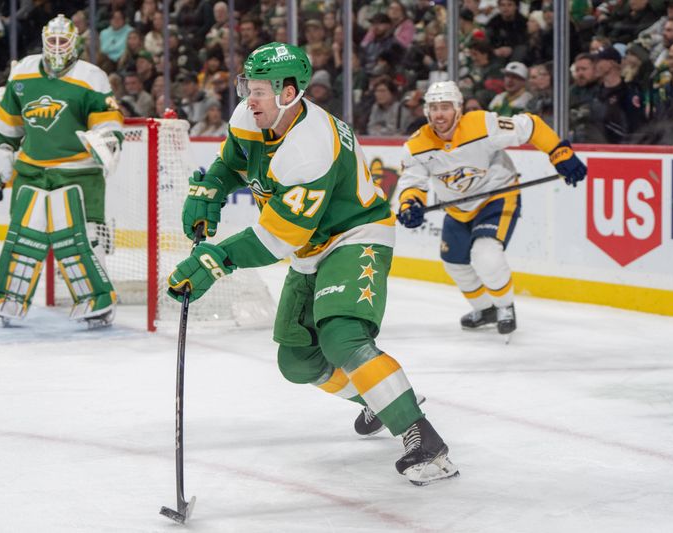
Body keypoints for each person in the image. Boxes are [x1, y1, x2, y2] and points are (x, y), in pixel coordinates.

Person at [166, 42, 459, 486]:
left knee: (342, 335)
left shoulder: (309, 147)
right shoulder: (252, 118)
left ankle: (427, 443)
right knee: (297, 359)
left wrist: (218, 259)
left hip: (354, 235)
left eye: (259, 90)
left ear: (289, 93)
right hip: (311, 246)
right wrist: (209, 190)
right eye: (248, 86)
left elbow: (280, 237)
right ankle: (385, 397)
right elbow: (232, 162)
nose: (249, 97)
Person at [394, 81, 587, 334]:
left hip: (496, 195)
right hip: (458, 209)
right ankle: (486, 309)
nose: (439, 114)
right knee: (455, 262)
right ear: (427, 111)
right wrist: (410, 203)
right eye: (434, 108)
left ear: (458, 109)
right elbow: (412, 182)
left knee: (486, 254)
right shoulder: (416, 146)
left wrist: (559, 153)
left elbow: (530, 126)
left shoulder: (481, 124)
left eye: (445, 107)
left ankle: (505, 306)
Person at [0, 14, 124, 327]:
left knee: (85, 239)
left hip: (79, 171)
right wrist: (0, 153)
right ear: (44, 41)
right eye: (52, 41)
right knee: (24, 237)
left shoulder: (91, 77)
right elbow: (7, 126)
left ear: (74, 43)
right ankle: (9, 298)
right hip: (32, 170)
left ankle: (97, 302)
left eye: (62, 41)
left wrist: (107, 142)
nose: (57, 47)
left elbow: (108, 121)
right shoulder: (24, 72)